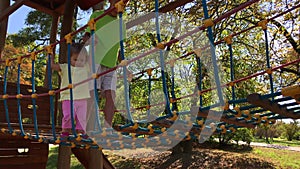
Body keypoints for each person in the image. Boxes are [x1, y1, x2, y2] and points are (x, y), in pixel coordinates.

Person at [83, 0, 124, 129]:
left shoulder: (121, 24)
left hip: (112, 64)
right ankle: (85, 127)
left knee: (111, 95)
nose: (119, 5)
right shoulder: (97, 16)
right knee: (92, 94)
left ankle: (107, 128)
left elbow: (120, 49)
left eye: (123, 4)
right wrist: (91, 40)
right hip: (96, 60)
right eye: (117, 1)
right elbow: (85, 38)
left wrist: (125, 66)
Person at [51, 43, 90, 138]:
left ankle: (81, 132)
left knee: (81, 117)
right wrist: (51, 55)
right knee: (68, 115)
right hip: (68, 97)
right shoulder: (65, 67)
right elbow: (53, 66)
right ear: (69, 59)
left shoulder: (86, 68)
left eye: (81, 60)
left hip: (82, 97)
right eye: (75, 59)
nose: (78, 62)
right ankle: (65, 131)